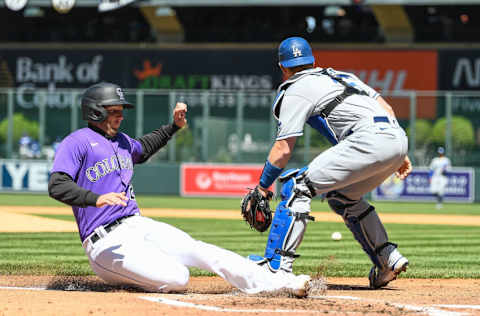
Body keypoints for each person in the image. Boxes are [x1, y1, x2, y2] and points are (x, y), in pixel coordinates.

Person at [48, 82, 310, 297]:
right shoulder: (77, 142)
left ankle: (277, 284)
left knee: (201, 250)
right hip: (104, 242)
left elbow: (144, 146)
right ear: (96, 112)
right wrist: (96, 199)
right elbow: (57, 185)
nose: (120, 116)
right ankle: (134, 275)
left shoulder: (122, 142)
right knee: (178, 277)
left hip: (137, 224)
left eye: (121, 110)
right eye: (114, 110)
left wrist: (174, 126)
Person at [246, 37, 412, 289]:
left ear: (282, 68)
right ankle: (387, 259)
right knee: (342, 196)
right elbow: (386, 107)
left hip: (368, 139)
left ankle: (277, 267)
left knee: (298, 186)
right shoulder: (340, 76)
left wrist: (262, 186)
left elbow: (283, 148)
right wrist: (398, 152)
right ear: (313, 61)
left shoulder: (295, 88)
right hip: (397, 138)